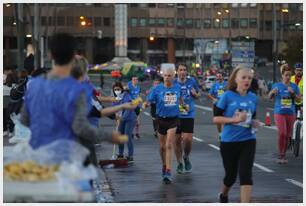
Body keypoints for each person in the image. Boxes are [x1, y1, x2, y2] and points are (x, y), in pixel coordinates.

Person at [20, 33, 136, 150]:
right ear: (72, 56)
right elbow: (80, 127)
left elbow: (24, 120)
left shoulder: (34, 84)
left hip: (41, 152)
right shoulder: (78, 89)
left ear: (50, 55)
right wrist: (109, 137)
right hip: (72, 154)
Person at [213, 66, 260, 203]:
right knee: (231, 177)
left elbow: (253, 117)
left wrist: (254, 122)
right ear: (236, 79)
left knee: (246, 174)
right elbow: (216, 118)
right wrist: (234, 120)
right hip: (229, 142)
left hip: (248, 140)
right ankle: (223, 194)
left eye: (249, 78)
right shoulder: (227, 96)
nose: (247, 80)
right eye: (244, 77)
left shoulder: (253, 97)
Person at [146, 66, 182, 184]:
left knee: (169, 145)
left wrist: (183, 106)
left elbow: (180, 99)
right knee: (162, 147)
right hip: (161, 119)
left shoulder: (177, 87)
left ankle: (168, 171)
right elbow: (149, 100)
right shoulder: (157, 89)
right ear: (163, 76)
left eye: (169, 76)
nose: (167, 78)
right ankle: (164, 165)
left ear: (173, 76)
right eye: (165, 76)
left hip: (173, 119)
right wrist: (145, 104)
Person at [269, 64, 301, 164]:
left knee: (287, 135)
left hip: (290, 113)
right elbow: (270, 97)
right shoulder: (276, 85)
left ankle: (284, 155)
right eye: (286, 75)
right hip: (279, 112)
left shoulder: (294, 86)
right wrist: (273, 92)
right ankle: (281, 155)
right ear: (282, 75)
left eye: (289, 75)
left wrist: (293, 93)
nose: (288, 77)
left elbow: (299, 99)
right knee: (282, 133)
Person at [173, 64, 200, 174]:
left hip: (188, 113)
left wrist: (195, 94)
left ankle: (186, 156)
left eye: (184, 70)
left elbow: (198, 94)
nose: (183, 72)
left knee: (188, 140)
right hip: (175, 114)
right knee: (177, 140)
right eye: (181, 70)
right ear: (177, 72)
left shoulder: (192, 81)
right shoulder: (173, 83)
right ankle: (179, 162)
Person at [112, 81, 138, 162]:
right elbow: (114, 109)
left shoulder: (126, 96)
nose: (117, 91)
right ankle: (120, 154)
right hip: (121, 119)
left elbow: (128, 109)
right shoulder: (115, 98)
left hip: (130, 118)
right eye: (115, 89)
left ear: (121, 89)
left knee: (127, 136)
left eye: (118, 89)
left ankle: (130, 156)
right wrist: (116, 118)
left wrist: (121, 119)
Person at [208, 72, 228, 140]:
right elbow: (209, 94)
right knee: (218, 121)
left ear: (222, 77)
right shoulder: (214, 85)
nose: (219, 77)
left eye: (220, 76)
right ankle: (220, 133)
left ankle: (223, 134)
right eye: (217, 76)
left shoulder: (226, 84)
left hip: (225, 105)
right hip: (217, 105)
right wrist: (214, 99)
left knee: (223, 120)